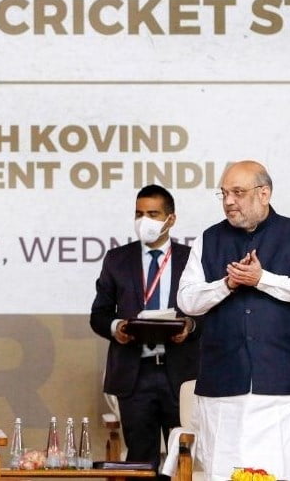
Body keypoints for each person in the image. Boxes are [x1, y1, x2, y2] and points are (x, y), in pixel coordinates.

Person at [177, 160, 290, 480]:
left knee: (280, 472)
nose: (228, 201)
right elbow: (187, 300)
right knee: (223, 472)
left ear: (264, 194)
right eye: (224, 193)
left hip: (285, 388)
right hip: (223, 388)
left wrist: (262, 279)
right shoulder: (208, 239)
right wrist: (226, 285)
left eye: (237, 192)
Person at [90, 184, 199, 475]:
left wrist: (189, 326)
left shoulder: (192, 259)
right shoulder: (117, 259)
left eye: (153, 214)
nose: (144, 221)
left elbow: (208, 313)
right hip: (135, 375)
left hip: (180, 374)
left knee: (183, 458)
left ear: (170, 219)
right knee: (140, 462)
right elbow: (99, 315)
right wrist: (117, 327)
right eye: (139, 214)